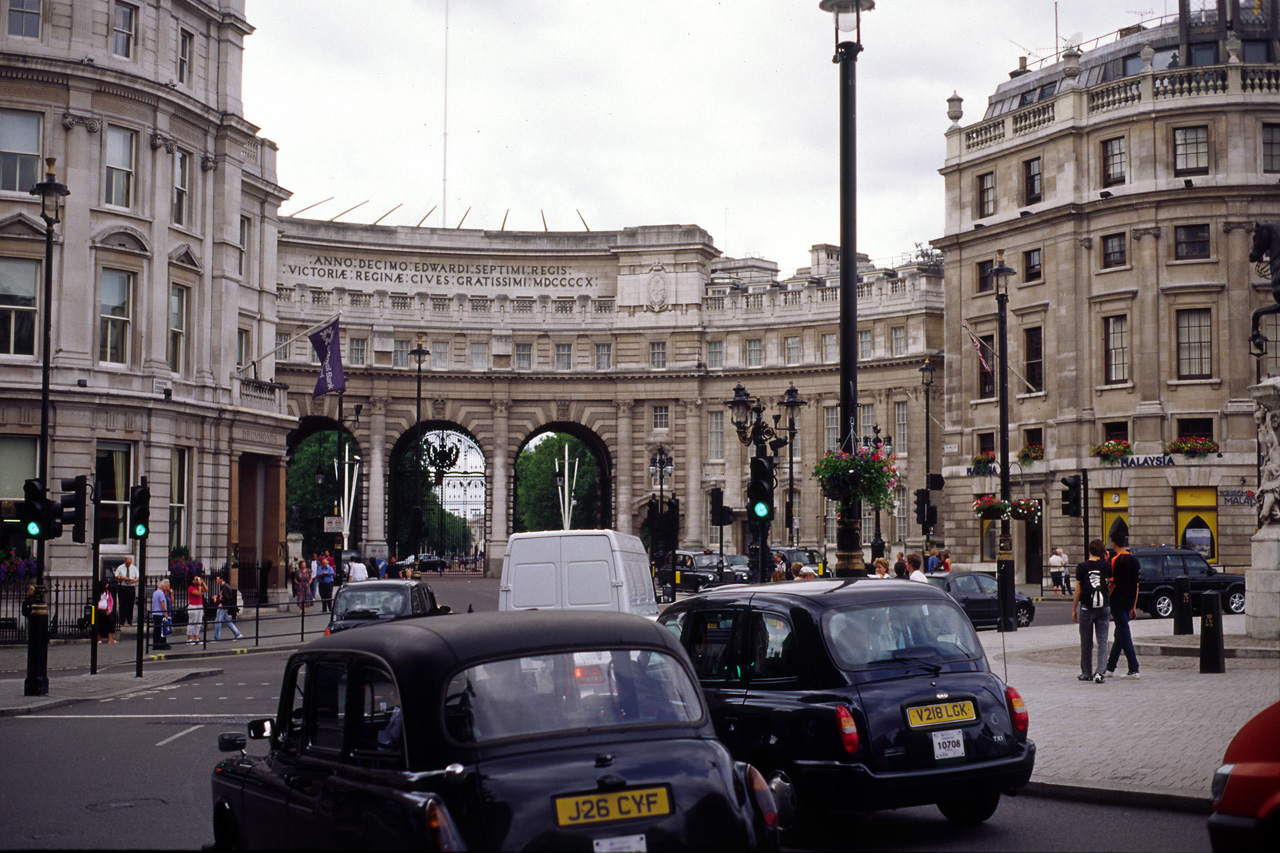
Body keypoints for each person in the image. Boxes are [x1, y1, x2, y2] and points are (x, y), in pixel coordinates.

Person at [1072, 539, 1111, 684]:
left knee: (1086, 641)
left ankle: (1086, 672)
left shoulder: (1082, 567)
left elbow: (1078, 590)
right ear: (1102, 551)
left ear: (1089, 550)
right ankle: (1100, 672)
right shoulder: (1106, 566)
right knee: (1102, 641)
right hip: (1104, 607)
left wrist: (1074, 608)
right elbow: (1112, 582)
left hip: (1086, 607)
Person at [1106, 533, 1142, 679]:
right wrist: (1134, 606)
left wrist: (1106, 598)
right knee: (1120, 634)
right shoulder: (1134, 560)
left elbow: (1112, 583)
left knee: (1124, 633)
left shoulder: (1115, 560)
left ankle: (1134, 668)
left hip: (1117, 601)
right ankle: (1110, 668)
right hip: (1128, 600)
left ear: (1114, 544)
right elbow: (1137, 585)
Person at [213, 575, 243, 641]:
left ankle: (216, 637)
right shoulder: (224, 587)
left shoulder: (225, 587)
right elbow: (224, 596)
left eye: (217, 579)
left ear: (221, 579)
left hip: (222, 606)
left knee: (218, 621)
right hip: (224, 606)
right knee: (227, 621)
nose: (216, 580)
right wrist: (217, 597)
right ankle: (237, 633)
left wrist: (217, 601)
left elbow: (226, 598)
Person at [114, 556, 138, 627]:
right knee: (122, 604)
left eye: (129, 563)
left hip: (131, 586)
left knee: (130, 603)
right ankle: (122, 620)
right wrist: (123, 578)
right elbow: (116, 576)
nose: (128, 564)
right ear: (125, 562)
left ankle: (129, 619)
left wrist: (134, 580)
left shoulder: (134, 568)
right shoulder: (120, 567)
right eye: (127, 563)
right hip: (122, 586)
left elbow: (137, 577)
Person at [151, 578, 173, 650]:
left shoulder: (155, 592)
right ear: (162, 586)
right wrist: (165, 612)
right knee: (162, 630)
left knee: (157, 630)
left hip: (155, 613)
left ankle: (156, 644)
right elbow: (162, 603)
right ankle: (162, 644)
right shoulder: (161, 593)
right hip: (160, 614)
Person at [93, 578, 116, 644]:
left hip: (106, 610)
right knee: (98, 624)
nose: (107, 585)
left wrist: (110, 609)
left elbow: (111, 601)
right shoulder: (97, 592)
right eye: (106, 584)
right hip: (99, 610)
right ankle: (99, 639)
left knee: (110, 622)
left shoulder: (107, 592)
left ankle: (110, 638)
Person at [186, 575, 207, 645]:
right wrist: (200, 586)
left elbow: (206, 589)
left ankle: (196, 637)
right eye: (196, 579)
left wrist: (202, 582)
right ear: (192, 581)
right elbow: (198, 594)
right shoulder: (191, 588)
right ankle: (189, 639)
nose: (197, 580)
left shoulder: (198, 587)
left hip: (199, 605)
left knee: (198, 623)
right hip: (193, 606)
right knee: (192, 622)